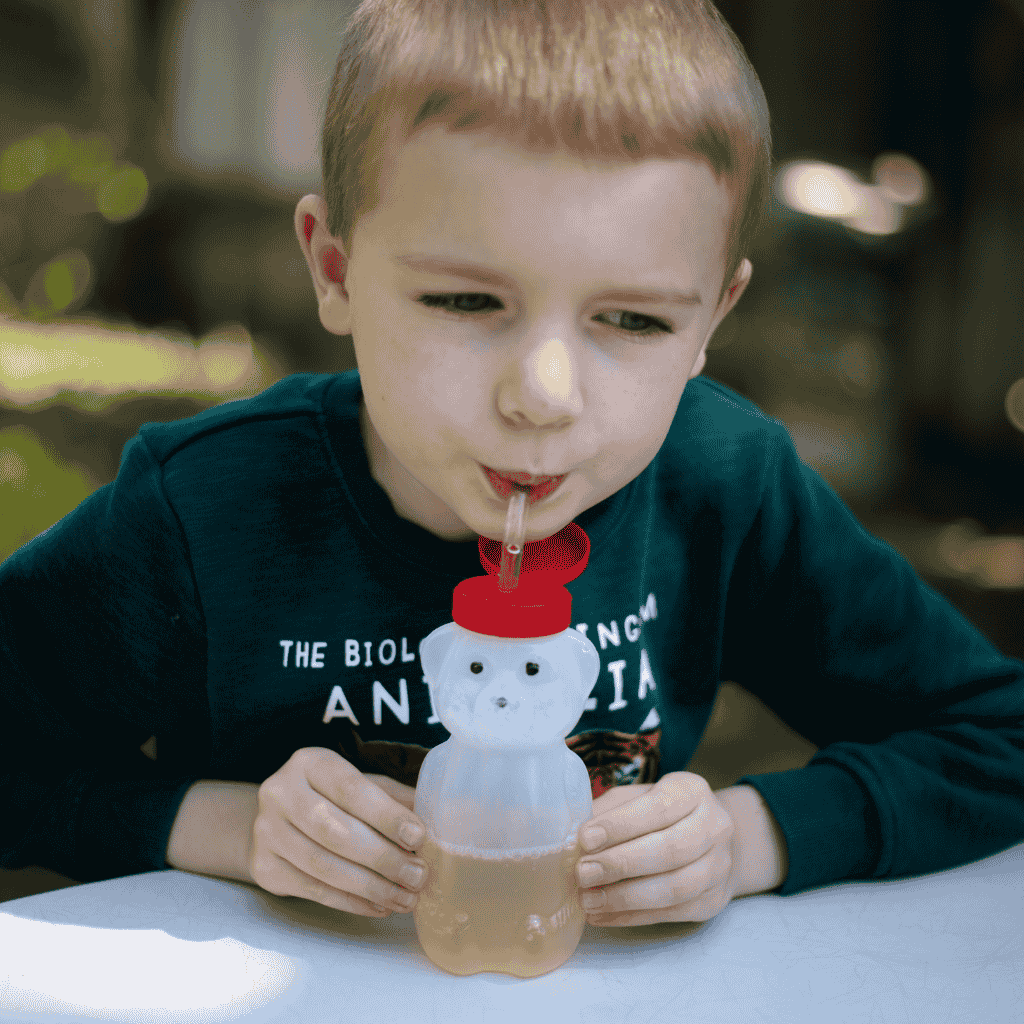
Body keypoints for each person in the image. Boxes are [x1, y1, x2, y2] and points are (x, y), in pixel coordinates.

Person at [2, 0, 1022, 932]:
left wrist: (749, 836)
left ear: (712, 317)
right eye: (466, 301)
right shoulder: (207, 508)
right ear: (336, 268)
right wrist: (221, 824)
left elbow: (993, 732)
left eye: (630, 319)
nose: (543, 392)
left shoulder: (725, 484)